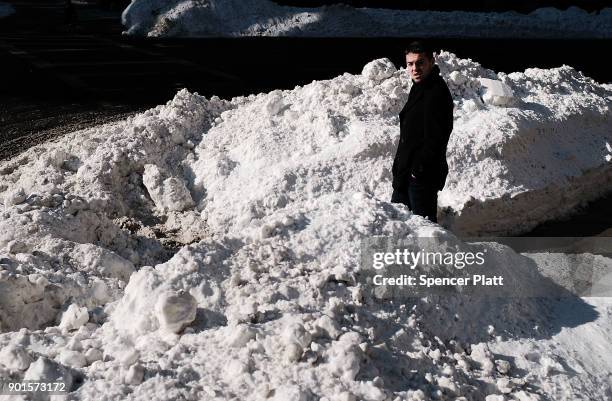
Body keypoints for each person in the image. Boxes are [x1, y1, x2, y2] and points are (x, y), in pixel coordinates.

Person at [391, 41, 454, 223]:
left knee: (425, 233)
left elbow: (437, 137)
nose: (414, 68)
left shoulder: (436, 92)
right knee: (398, 226)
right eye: (410, 64)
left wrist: (418, 170)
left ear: (431, 62)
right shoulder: (419, 87)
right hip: (407, 174)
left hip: (420, 179)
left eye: (420, 62)